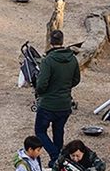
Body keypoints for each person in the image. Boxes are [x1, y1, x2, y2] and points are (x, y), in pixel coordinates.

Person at [33, 29, 80, 162]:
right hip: (64, 104)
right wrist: (65, 88)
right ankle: (58, 162)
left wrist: (40, 92)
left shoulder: (48, 60)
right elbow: (76, 79)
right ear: (62, 41)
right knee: (58, 131)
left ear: (50, 42)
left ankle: (55, 155)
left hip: (48, 104)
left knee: (40, 131)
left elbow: (41, 84)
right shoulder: (72, 59)